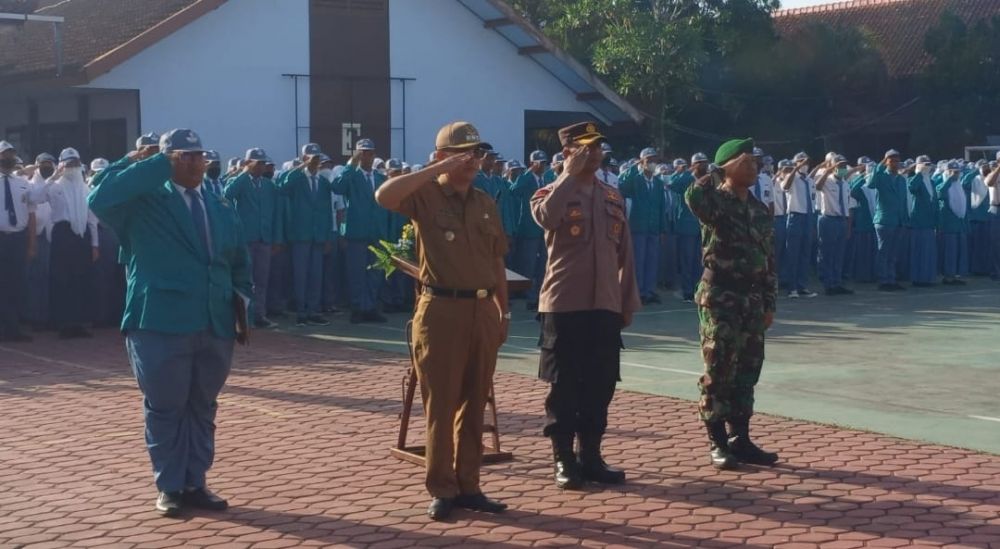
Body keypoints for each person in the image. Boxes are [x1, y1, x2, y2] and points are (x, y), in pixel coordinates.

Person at [87, 129, 252, 517]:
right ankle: (170, 485)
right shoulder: (143, 200)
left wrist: (242, 299)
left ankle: (196, 482)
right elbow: (99, 196)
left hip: (213, 320)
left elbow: (237, 256)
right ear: (164, 160)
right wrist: (144, 164)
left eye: (199, 156)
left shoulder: (218, 201)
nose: (195, 163)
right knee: (165, 406)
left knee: (202, 405)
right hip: (160, 321)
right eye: (184, 156)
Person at [375, 121, 509, 521]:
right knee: (441, 403)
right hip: (441, 311)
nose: (473, 161)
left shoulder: (486, 201)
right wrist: (436, 169)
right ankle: (442, 488)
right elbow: (384, 195)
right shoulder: (427, 196)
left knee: (474, 402)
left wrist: (504, 310)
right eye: (462, 153)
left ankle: (470, 485)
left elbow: (496, 259)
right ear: (440, 157)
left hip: (482, 309)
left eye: (477, 153)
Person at [530, 122, 640, 490]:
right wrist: (568, 177)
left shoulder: (612, 196)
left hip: (605, 304)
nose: (594, 154)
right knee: (564, 386)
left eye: (597, 148)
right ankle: (563, 458)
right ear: (567, 153)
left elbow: (625, 252)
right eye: (585, 148)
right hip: (564, 303)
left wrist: (627, 301)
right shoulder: (548, 191)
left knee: (601, 383)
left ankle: (590, 456)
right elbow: (546, 216)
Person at [685, 138, 779, 471]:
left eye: (756, 162)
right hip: (720, 296)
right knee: (719, 368)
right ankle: (717, 442)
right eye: (747, 161)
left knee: (748, 368)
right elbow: (694, 198)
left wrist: (769, 301)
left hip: (751, 298)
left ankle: (741, 438)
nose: (755, 167)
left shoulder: (757, 208)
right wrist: (711, 172)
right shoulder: (716, 202)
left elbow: (767, 258)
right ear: (729, 166)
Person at [34, 147, 100, 338]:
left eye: (75, 164)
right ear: (62, 165)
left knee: (81, 279)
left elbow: (92, 219)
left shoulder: (86, 188)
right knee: (62, 280)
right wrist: (52, 177)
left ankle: (78, 323)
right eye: (68, 164)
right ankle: (63, 323)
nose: (72, 167)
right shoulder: (54, 186)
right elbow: (35, 197)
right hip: (63, 235)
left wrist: (95, 244)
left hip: (81, 236)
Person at [224, 148, 283, 328]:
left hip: (264, 238)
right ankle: (244, 317)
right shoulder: (239, 181)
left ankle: (259, 315)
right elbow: (227, 194)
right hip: (245, 239)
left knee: (262, 280)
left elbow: (276, 213)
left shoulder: (268, 185)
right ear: (248, 163)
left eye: (263, 163)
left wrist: (276, 238)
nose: (261, 167)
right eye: (257, 163)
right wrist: (243, 173)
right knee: (244, 279)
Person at [332, 139, 389, 323]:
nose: (367, 156)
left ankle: (370, 307)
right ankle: (357, 307)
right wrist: (351, 165)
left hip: (377, 232)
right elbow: (337, 187)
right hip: (357, 232)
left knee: (375, 272)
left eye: (370, 153)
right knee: (356, 272)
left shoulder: (380, 178)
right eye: (363, 152)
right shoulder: (351, 175)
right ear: (357, 154)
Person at [281, 143, 334, 327]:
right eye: (311, 158)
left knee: (315, 275)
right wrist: (300, 168)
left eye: (317, 158)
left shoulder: (324, 182)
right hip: (301, 235)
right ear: (303, 159)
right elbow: (283, 187)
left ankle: (314, 310)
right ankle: (301, 311)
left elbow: (327, 211)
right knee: (301, 275)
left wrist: (327, 235)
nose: (314, 161)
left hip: (318, 235)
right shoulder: (297, 179)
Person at [0, 140, 37, 342]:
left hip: (17, 239)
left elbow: (31, 213)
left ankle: (13, 328)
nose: (8, 158)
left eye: (11, 154)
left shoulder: (23, 183)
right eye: (4, 154)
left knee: (15, 284)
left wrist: (32, 244)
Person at [619, 148, 666, 304]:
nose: (653, 164)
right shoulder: (635, 180)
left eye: (655, 161)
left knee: (652, 260)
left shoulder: (658, 183)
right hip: (638, 227)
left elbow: (662, 206)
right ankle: (638, 292)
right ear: (642, 162)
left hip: (653, 227)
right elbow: (622, 185)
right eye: (649, 160)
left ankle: (650, 291)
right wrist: (634, 167)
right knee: (639, 260)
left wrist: (662, 229)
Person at [814, 155, 859, 295]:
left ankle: (837, 282)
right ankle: (828, 284)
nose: (842, 169)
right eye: (839, 166)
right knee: (828, 253)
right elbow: (817, 186)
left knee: (839, 254)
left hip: (841, 221)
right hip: (828, 219)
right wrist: (827, 171)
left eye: (844, 166)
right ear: (832, 167)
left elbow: (846, 204)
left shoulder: (845, 184)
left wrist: (847, 224)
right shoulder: (826, 180)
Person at [511, 151, 549, 310]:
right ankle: (529, 296)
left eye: (544, 163)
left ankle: (540, 294)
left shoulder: (545, 179)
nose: (543, 166)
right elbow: (514, 190)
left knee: (543, 265)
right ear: (533, 164)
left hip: (543, 228)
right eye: (539, 163)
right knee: (529, 264)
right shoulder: (526, 178)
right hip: (528, 228)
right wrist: (527, 174)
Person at [779, 152, 819, 298]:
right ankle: (792, 287)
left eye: (806, 162)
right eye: (801, 162)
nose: (805, 164)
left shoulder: (809, 181)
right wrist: (796, 169)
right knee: (793, 253)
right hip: (795, 216)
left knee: (805, 253)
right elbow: (785, 186)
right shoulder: (792, 177)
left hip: (808, 217)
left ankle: (802, 285)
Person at [866, 149, 908, 291]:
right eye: (891, 160)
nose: (895, 163)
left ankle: (891, 279)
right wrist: (881, 163)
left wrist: (904, 220)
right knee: (883, 251)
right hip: (884, 220)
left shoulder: (902, 180)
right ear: (886, 162)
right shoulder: (881, 177)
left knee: (893, 252)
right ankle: (883, 280)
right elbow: (871, 183)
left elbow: (903, 201)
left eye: (897, 160)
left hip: (898, 220)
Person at [668, 155, 707, 302]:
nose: (704, 166)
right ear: (694, 165)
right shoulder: (686, 179)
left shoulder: (707, 180)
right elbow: (671, 183)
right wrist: (685, 172)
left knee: (700, 261)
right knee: (687, 259)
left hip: (702, 226)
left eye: (705, 163)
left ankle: (699, 289)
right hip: (686, 225)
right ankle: (688, 291)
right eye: (701, 164)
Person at [24, 153, 56, 329]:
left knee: (47, 278)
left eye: (49, 164)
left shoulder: (55, 184)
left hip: (50, 237)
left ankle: (45, 316)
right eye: (42, 164)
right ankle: (32, 317)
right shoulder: (29, 185)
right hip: (34, 237)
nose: (46, 167)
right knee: (33, 279)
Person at [907, 156, 939, 287]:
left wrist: (937, 221)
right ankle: (917, 278)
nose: (927, 167)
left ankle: (927, 278)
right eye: (924, 165)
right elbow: (912, 188)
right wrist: (919, 173)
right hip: (918, 221)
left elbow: (935, 201)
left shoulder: (930, 182)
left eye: (929, 164)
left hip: (929, 222)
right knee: (919, 251)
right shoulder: (915, 179)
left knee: (929, 252)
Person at [936, 161, 968, 285]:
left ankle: (955, 276)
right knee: (949, 252)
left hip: (958, 225)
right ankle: (948, 276)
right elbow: (940, 193)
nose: (955, 175)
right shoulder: (942, 184)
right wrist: (949, 179)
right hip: (948, 226)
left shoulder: (958, 186)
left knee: (958, 252)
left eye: (957, 172)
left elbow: (962, 206)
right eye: (953, 172)